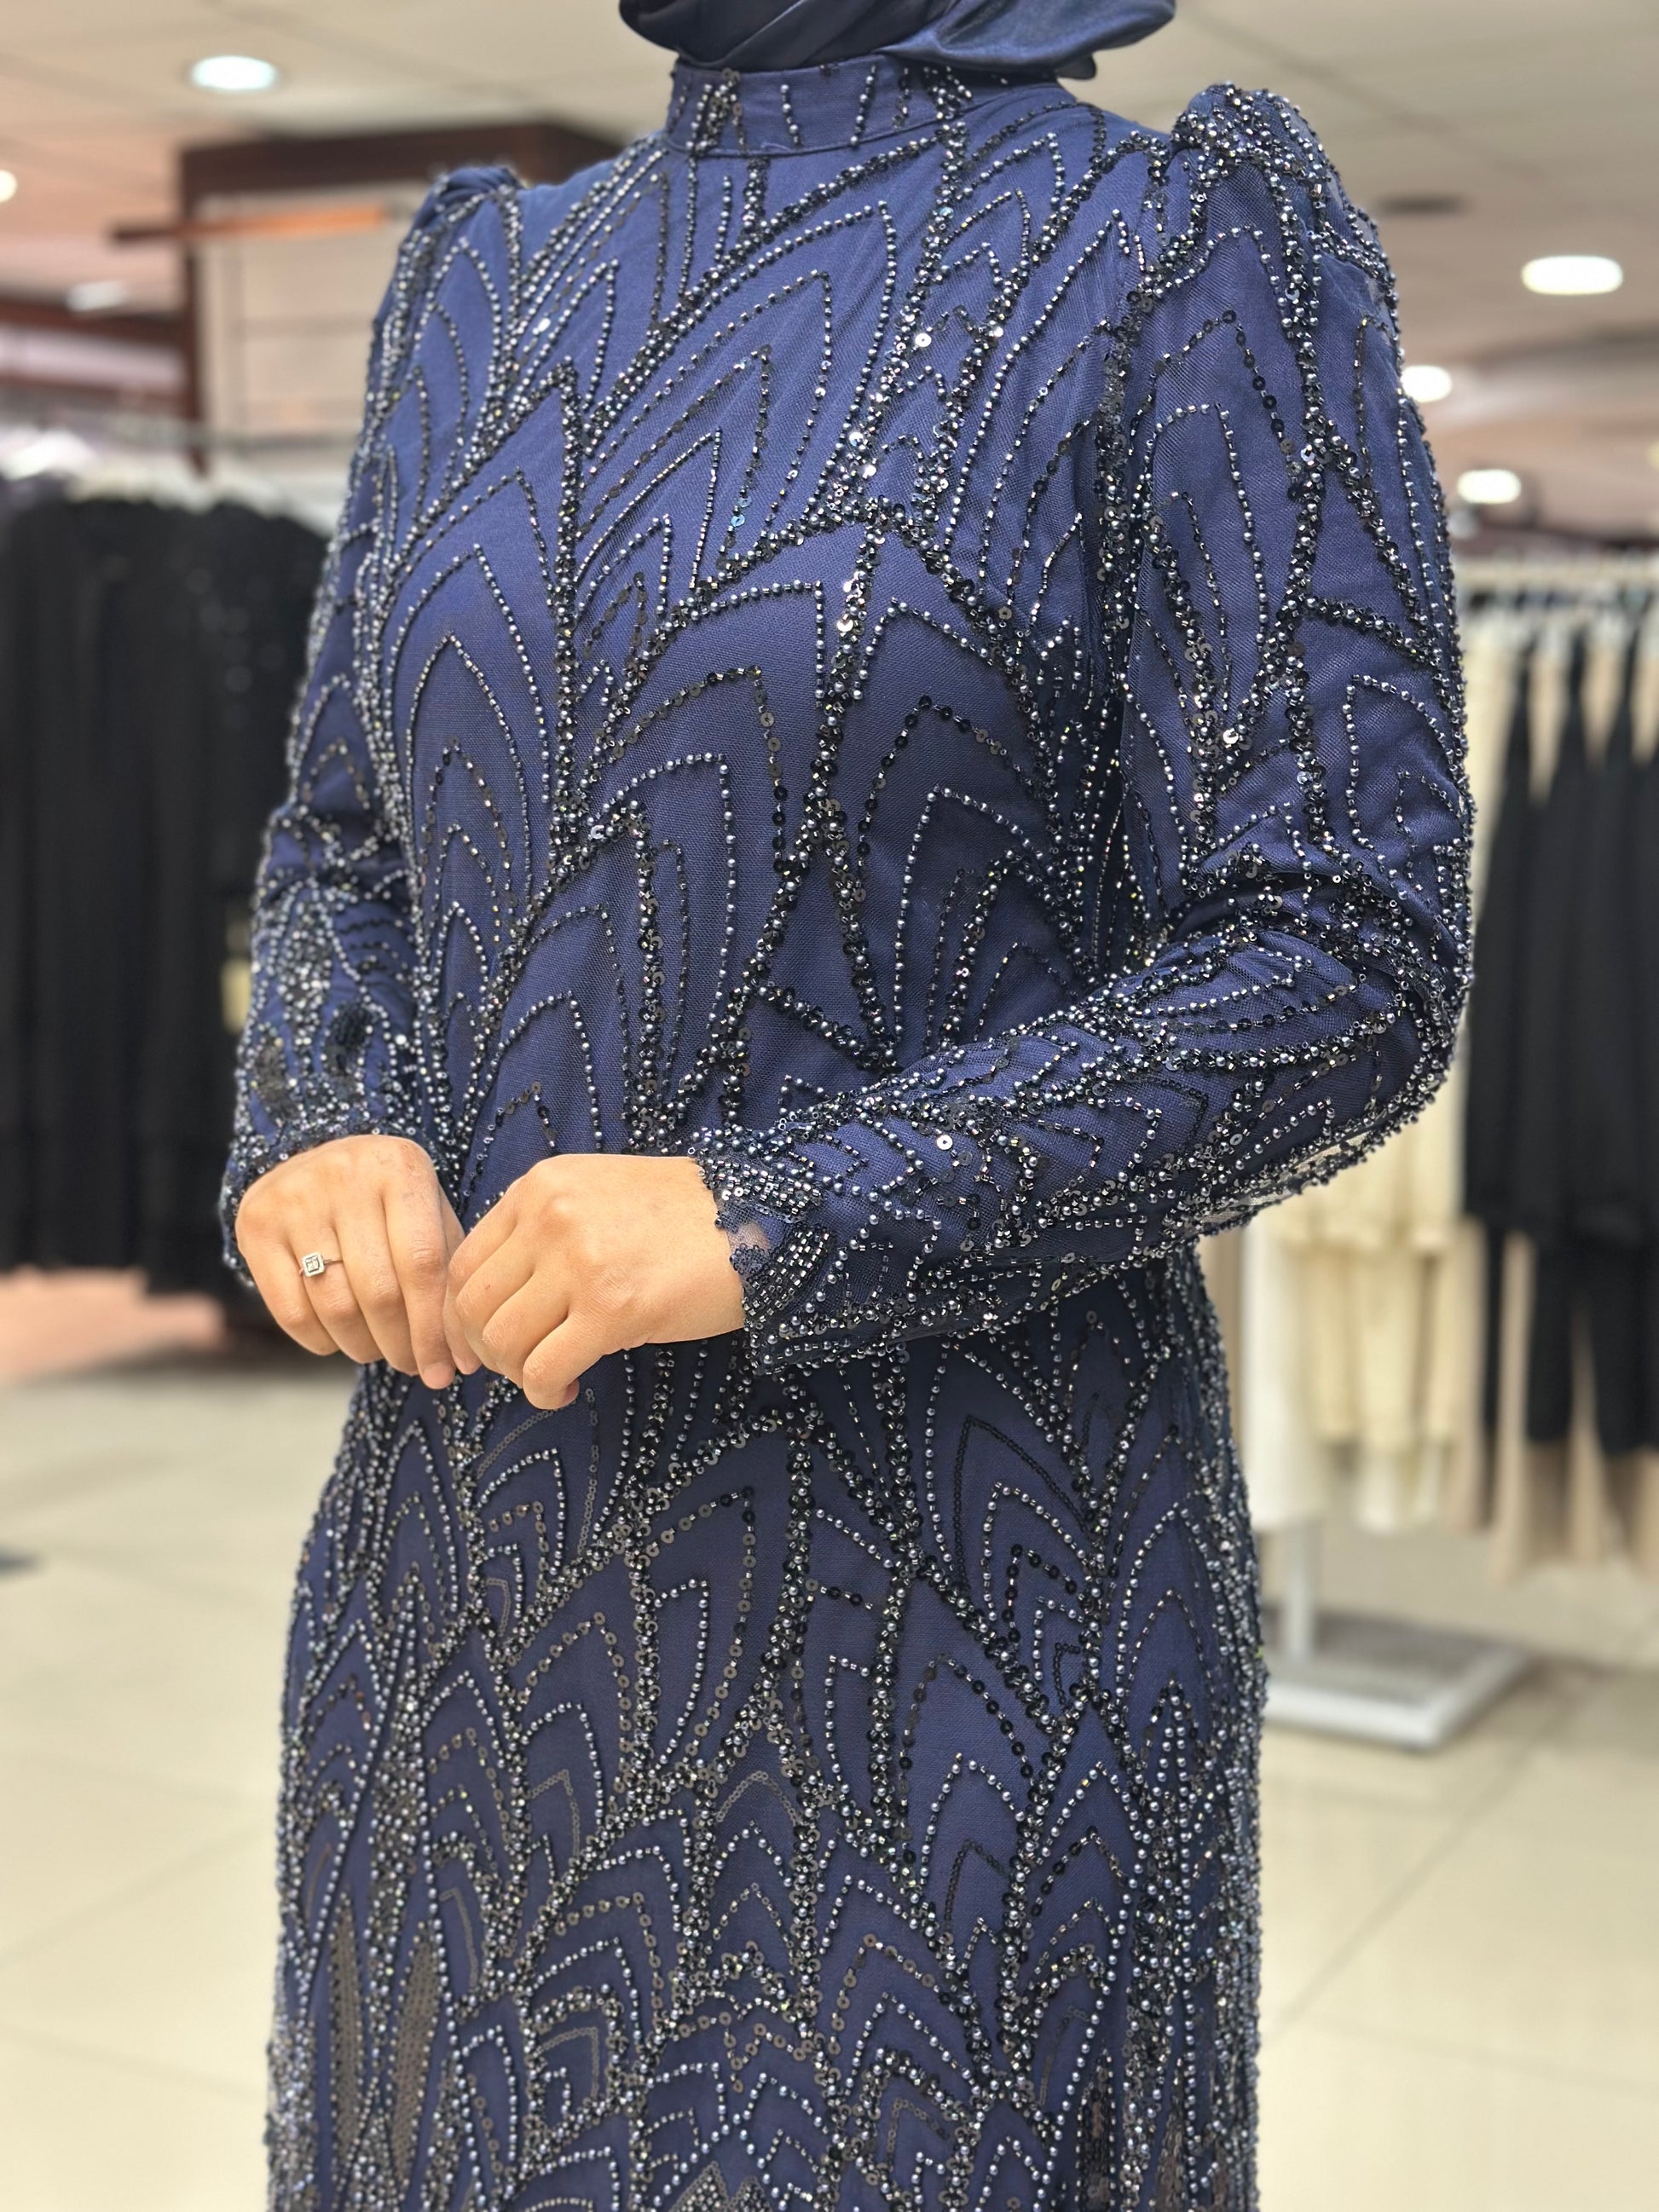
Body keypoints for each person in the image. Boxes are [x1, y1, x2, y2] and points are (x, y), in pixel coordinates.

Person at [223, 3, 1468, 2204]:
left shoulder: (1173, 241)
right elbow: (347, 842)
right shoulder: (477, 278)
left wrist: (775, 1211)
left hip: (943, 1615)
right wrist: (321, 1113)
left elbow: (1343, 945)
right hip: (472, 1579)